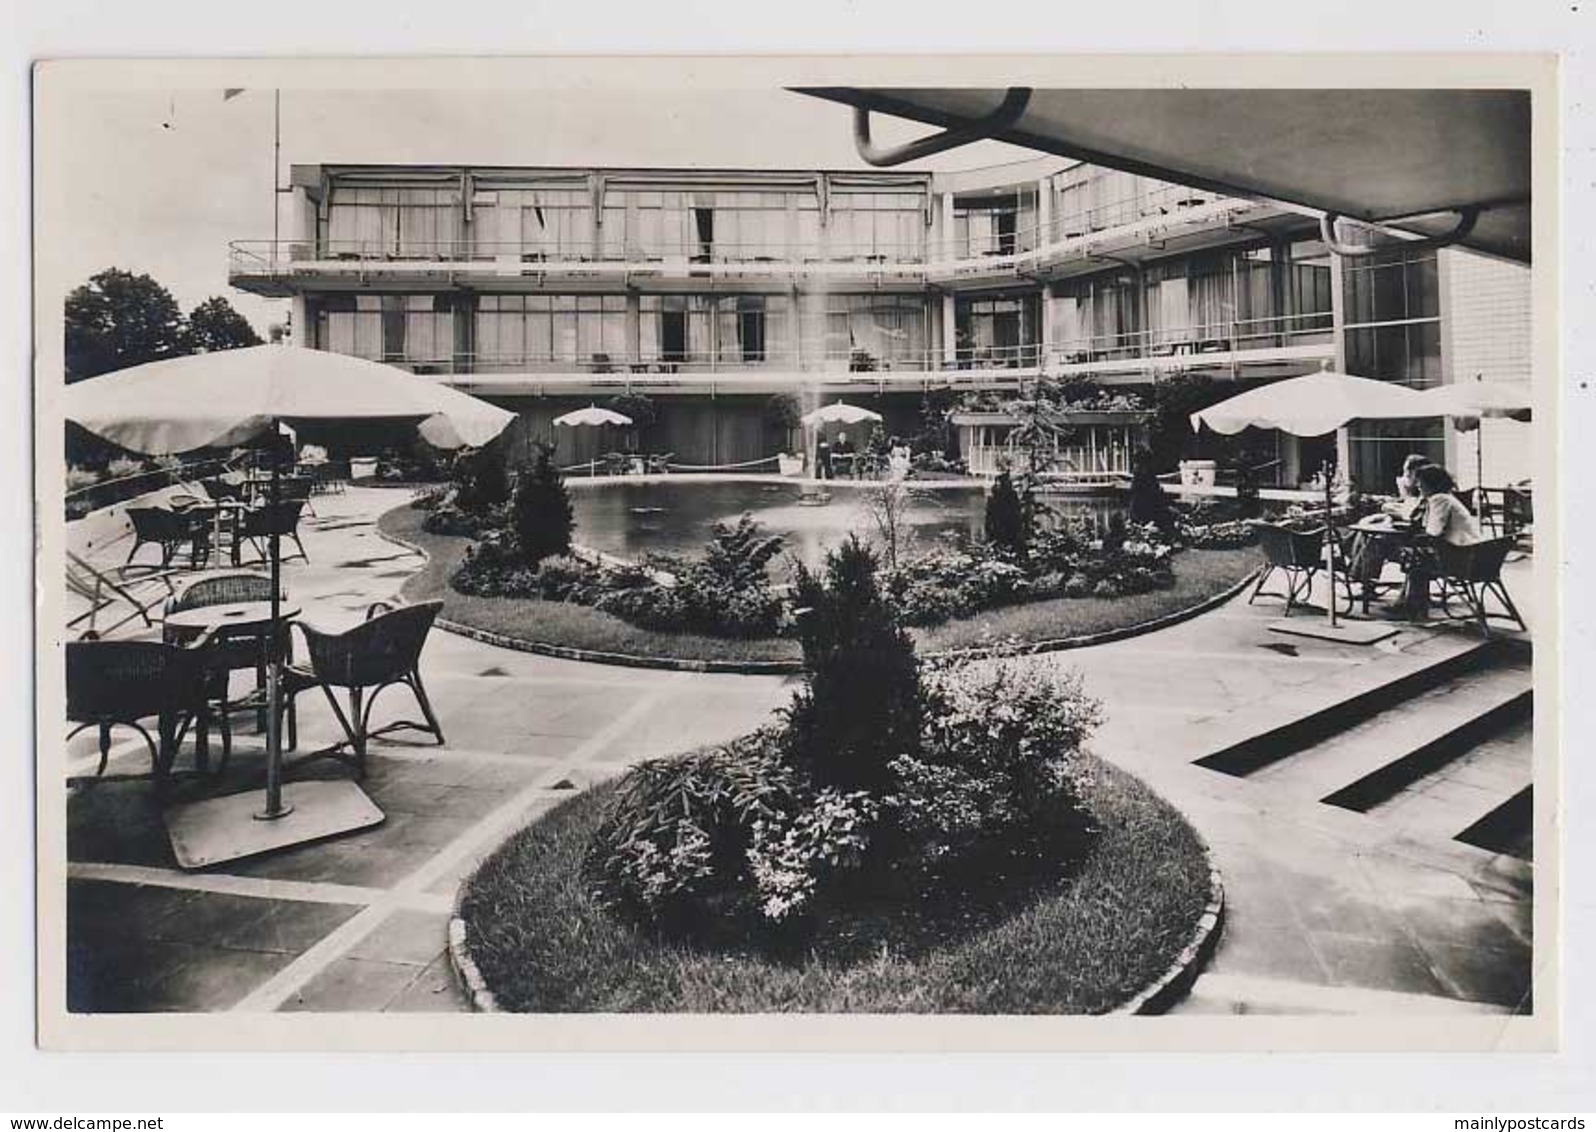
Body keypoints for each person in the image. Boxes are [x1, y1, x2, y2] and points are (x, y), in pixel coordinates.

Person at [1385, 463, 1483, 620]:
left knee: (1414, 558)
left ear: (1430, 483)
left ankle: (1414, 609)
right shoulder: (1447, 497)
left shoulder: (1439, 499)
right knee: (1416, 555)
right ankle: (1408, 603)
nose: (1418, 486)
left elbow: (1433, 533)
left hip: (1463, 558)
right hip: (1474, 555)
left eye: (1420, 482)